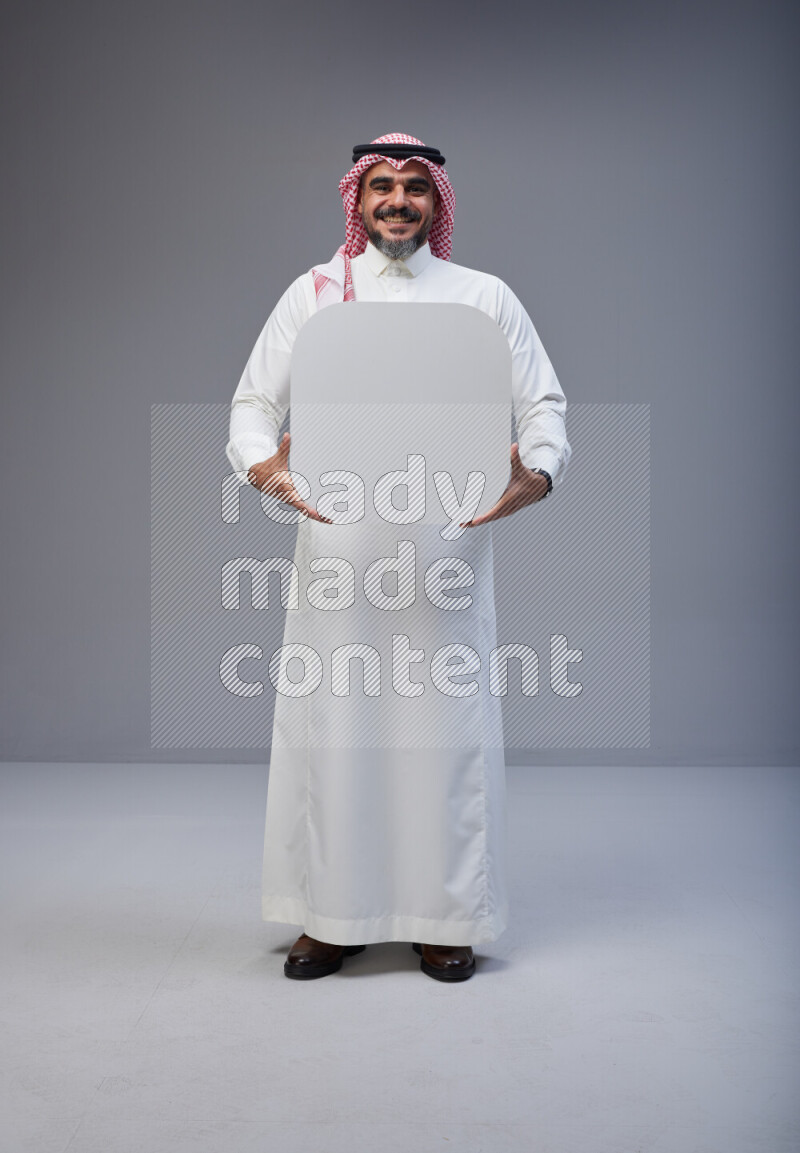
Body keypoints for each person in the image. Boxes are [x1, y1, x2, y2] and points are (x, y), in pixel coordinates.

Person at [226, 133, 571, 982]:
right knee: (337, 735)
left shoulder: (484, 297)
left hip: (445, 553)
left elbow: (544, 404)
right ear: (357, 196)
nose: (398, 201)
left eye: (415, 187)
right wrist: (267, 468)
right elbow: (251, 406)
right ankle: (332, 918)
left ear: (437, 201)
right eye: (381, 185)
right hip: (340, 552)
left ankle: (442, 916)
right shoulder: (313, 295)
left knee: (441, 738)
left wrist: (540, 472)